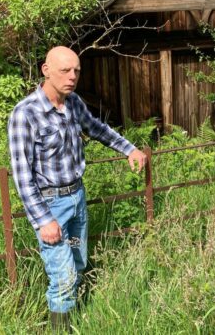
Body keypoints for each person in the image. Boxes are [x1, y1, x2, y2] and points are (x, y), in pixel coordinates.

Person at [8, 46, 147, 330]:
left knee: (78, 263)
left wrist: (129, 149)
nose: (72, 77)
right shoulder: (25, 114)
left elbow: (97, 128)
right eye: (65, 70)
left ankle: (78, 318)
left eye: (76, 71)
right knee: (63, 277)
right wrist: (43, 220)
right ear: (46, 70)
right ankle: (61, 328)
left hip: (76, 200)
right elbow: (22, 175)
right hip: (51, 206)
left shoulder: (73, 103)